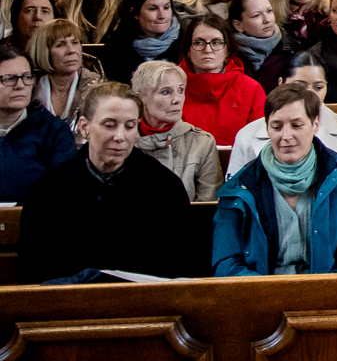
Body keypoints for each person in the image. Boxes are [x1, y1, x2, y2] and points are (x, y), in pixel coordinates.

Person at [17, 82, 201, 282]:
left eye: (130, 126)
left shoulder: (165, 187)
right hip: (68, 299)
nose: (120, 136)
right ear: (84, 127)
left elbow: (183, 268)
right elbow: (32, 273)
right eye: (109, 125)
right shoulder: (48, 190)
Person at [212, 82, 337, 276]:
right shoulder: (241, 185)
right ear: (267, 128)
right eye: (276, 126)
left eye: (296, 125)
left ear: (315, 125)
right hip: (260, 291)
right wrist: (268, 291)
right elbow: (226, 263)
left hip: (328, 290)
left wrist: (323, 290)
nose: (286, 136)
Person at [231, 58, 337, 176]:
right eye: (299, 87)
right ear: (281, 83)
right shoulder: (246, 135)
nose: (310, 95)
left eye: (319, 87)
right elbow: (234, 191)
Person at [0, 41, 77, 202]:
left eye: (26, 77)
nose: (20, 85)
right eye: (9, 79)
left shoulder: (55, 133)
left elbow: (62, 193)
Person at [175, 13, 266, 146]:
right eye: (198, 42)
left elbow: (261, 142)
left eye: (216, 42)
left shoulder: (251, 89)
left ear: (227, 50)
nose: (207, 49)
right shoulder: (171, 87)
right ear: (188, 50)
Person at [99, 0, 183, 83]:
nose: (162, 16)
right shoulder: (116, 48)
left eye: (166, 7)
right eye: (153, 9)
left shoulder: (185, 42)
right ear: (135, 13)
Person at [26, 18, 95, 127]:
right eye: (60, 45)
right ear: (44, 52)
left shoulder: (96, 89)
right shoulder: (28, 89)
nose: (71, 50)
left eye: (75, 42)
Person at [227, 0, 297, 92]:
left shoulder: (292, 47)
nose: (267, 20)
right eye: (256, 15)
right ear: (238, 25)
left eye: (269, 11)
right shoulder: (228, 55)